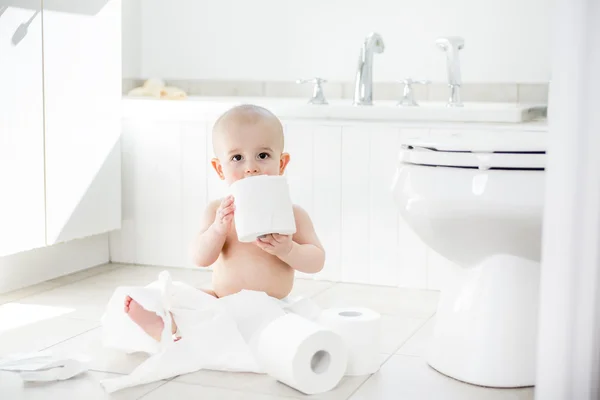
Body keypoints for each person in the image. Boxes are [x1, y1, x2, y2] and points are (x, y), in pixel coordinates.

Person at [123, 104, 325, 341]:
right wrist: (218, 230)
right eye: (237, 158)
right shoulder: (217, 212)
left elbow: (316, 261)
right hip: (223, 300)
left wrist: (289, 249)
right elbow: (200, 258)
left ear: (281, 163)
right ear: (220, 168)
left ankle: (188, 329)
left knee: (289, 331)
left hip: (272, 307)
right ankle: (166, 324)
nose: (251, 167)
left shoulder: (293, 214)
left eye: (263, 155)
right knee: (188, 299)